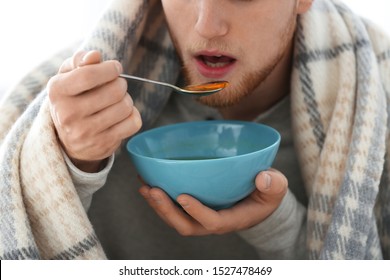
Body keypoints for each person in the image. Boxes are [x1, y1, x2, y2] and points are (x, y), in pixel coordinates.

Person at [1, 0, 389, 260]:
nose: (207, 25)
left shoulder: (378, 95)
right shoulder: (67, 99)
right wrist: (69, 166)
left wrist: (281, 227)